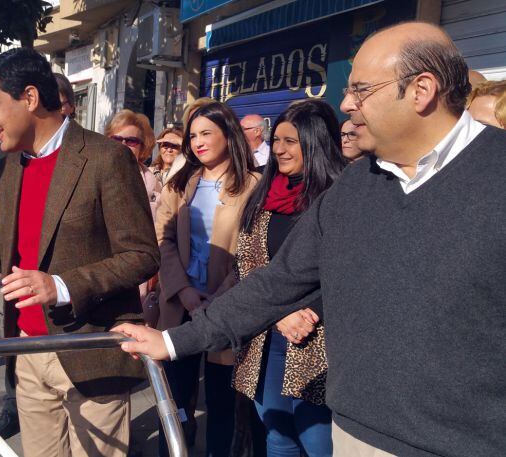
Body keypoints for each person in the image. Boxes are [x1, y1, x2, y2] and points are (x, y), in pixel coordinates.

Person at [114, 21, 506, 457]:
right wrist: (171, 341)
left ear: (422, 90)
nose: (346, 103)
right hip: (355, 438)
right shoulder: (355, 189)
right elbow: (275, 284)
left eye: (361, 89)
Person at [0, 48, 159, 457]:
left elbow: (141, 254)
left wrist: (63, 286)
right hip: (26, 352)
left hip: (89, 351)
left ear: (30, 98)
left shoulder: (106, 159)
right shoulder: (5, 166)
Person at [235, 99, 346, 457]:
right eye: (276, 139)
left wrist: (304, 312)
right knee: (278, 438)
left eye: (290, 141)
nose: (279, 149)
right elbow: (249, 259)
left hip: (320, 339)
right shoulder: (265, 193)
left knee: (318, 441)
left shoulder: (341, 194)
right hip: (267, 337)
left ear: (315, 143)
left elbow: (347, 270)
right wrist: (279, 313)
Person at [155, 102, 260, 456]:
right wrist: (182, 289)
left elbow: (253, 250)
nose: (197, 142)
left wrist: (220, 297)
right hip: (181, 305)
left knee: (222, 404)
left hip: (227, 308)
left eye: (206, 133)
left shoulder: (254, 186)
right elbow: (162, 237)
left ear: (229, 135)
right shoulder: (182, 181)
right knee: (174, 400)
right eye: (193, 135)